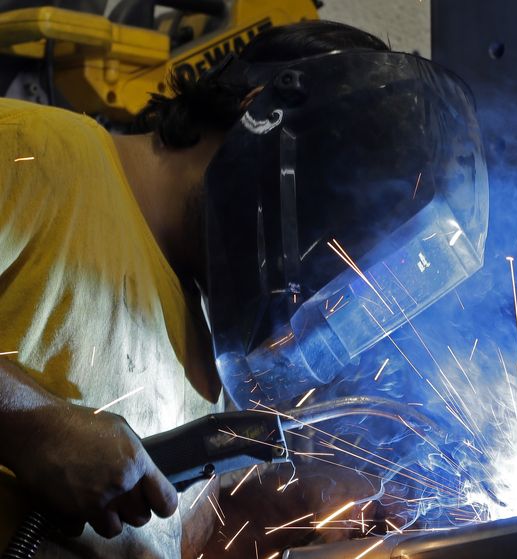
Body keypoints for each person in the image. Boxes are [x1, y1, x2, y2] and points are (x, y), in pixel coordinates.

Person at [0, 21, 397, 558]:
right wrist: (32, 426)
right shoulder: (31, 152)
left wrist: (271, 515)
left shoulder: (209, 346)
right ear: (262, 118)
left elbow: (154, 534)